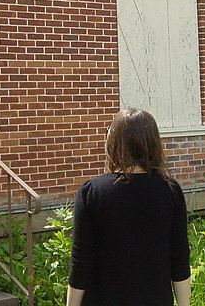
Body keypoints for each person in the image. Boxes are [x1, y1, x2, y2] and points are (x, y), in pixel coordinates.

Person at [67, 108, 191, 306]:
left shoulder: (92, 192)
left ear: (113, 143)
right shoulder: (170, 191)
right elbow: (179, 260)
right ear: (153, 144)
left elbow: (81, 263)